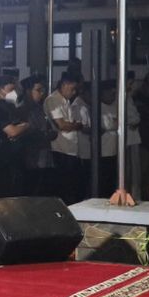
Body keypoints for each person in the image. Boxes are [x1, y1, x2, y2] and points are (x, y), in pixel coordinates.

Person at [45, 73, 87, 203]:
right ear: (64, 85)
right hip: (61, 148)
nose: (74, 92)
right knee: (64, 185)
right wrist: (76, 125)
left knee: (73, 184)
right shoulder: (53, 100)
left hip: (71, 149)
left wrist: (74, 125)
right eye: (72, 89)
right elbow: (62, 125)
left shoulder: (66, 100)